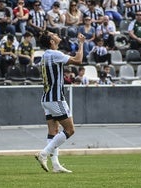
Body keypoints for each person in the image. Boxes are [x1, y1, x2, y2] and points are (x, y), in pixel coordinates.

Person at [34, 30, 85, 173]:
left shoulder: (45, 56)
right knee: (70, 130)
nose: (56, 35)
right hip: (56, 99)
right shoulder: (54, 54)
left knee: (53, 131)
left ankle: (55, 165)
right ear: (51, 41)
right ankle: (44, 153)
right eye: (53, 35)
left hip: (46, 99)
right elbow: (78, 60)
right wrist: (81, 44)